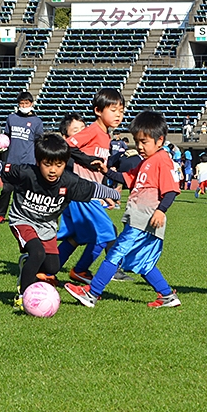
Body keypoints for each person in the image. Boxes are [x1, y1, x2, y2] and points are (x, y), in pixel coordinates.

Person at [0, 134, 121, 309]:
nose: (53, 170)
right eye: (48, 164)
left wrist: (113, 194)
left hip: (47, 226)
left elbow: (93, 188)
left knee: (52, 267)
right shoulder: (27, 173)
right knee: (37, 253)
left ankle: (26, 265)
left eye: (59, 165)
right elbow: (0, 166)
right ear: (38, 162)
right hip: (22, 219)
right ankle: (23, 295)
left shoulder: (69, 182)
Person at [64, 110, 181, 308]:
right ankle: (167, 296)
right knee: (143, 261)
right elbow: (128, 179)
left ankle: (92, 293)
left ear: (159, 140)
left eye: (145, 142)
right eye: (138, 141)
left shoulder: (162, 160)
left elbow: (171, 190)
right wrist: (106, 171)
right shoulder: (146, 162)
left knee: (116, 252)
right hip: (140, 219)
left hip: (144, 219)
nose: (140, 147)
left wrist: (161, 210)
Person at [57, 88, 126, 284]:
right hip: (82, 192)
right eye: (113, 110)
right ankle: (87, 274)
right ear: (98, 110)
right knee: (107, 233)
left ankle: (47, 271)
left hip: (89, 192)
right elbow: (67, 146)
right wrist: (87, 160)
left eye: (121, 110)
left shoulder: (105, 135)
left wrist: (104, 194)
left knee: (77, 236)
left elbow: (96, 171)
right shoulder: (93, 131)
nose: (118, 115)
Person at [0, 91, 44, 224]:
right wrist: (2, 145)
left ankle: (23, 216)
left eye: (26, 103)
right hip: (11, 161)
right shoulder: (11, 118)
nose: (23, 105)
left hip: (28, 162)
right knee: (6, 189)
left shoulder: (37, 121)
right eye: (21, 103)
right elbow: (5, 137)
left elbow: (39, 141)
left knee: (24, 191)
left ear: (31, 104)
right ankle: (1, 215)